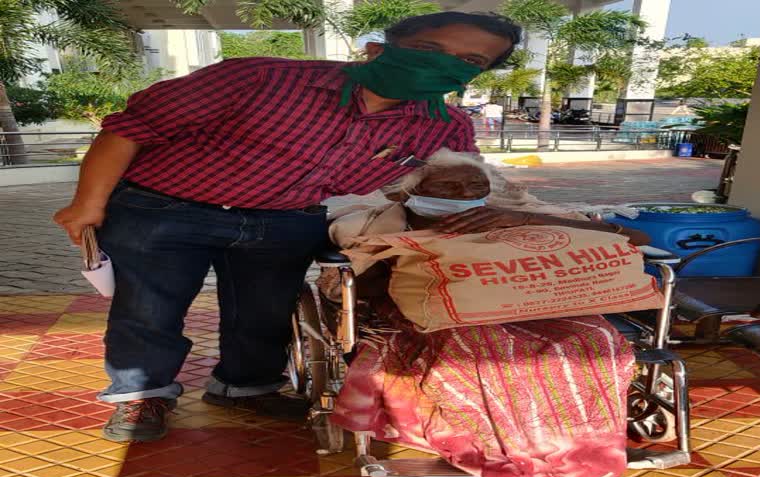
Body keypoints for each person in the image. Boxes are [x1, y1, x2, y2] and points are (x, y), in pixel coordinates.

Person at [52, 12, 523, 442]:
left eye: (470, 60)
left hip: (286, 218)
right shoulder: (260, 77)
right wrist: (87, 205)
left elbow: (451, 184)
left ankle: (245, 387)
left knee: (265, 312)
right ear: (379, 48)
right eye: (428, 50)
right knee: (149, 307)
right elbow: (130, 127)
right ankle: (142, 395)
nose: (444, 65)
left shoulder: (444, 126)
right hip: (166, 209)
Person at [318, 149, 650, 477]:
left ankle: (580, 445)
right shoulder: (374, 224)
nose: (464, 195)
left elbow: (636, 240)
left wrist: (521, 223)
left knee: (597, 339)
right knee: (480, 348)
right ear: (409, 193)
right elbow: (359, 287)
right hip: (433, 313)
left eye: (475, 186)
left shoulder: (519, 214)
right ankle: (511, 446)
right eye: (448, 187)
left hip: (534, 304)